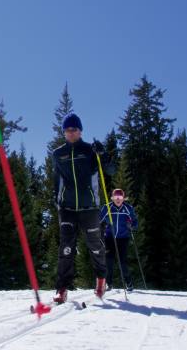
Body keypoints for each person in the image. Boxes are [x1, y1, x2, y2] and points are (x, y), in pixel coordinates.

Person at [52, 113, 114, 304]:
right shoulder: (58, 154)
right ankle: (62, 288)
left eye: (74, 129)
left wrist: (102, 155)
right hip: (67, 207)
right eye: (67, 130)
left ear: (80, 131)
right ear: (64, 132)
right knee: (66, 248)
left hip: (89, 207)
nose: (71, 133)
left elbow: (110, 171)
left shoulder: (90, 151)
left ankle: (101, 280)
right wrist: (57, 200)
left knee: (95, 246)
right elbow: (56, 180)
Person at [100, 188, 138, 292]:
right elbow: (98, 219)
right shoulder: (107, 208)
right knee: (109, 261)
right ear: (112, 198)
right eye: (115, 197)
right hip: (109, 237)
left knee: (123, 262)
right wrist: (100, 226)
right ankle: (109, 283)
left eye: (120, 197)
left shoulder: (128, 208)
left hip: (123, 238)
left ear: (123, 198)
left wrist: (132, 225)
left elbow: (135, 221)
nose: (118, 199)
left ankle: (128, 283)